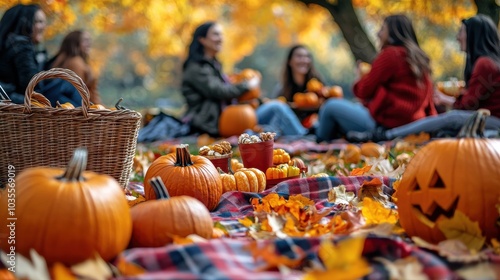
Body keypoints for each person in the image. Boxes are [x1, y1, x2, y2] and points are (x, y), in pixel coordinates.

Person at [347, 14, 500, 142]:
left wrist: (446, 99)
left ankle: (386, 136)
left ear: (474, 35)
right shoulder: (486, 62)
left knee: (452, 118)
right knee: (448, 122)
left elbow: (467, 106)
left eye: (461, 32)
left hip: (492, 122)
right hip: (484, 120)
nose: (457, 37)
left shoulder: (484, 64)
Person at [316, 14, 437, 142]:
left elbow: (363, 91)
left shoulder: (390, 55)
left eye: (382, 29)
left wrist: (359, 77)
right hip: (412, 126)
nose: (378, 34)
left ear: (392, 33)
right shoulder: (420, 59)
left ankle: (318, 142)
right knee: (356, 107)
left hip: (385, 127)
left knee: (330, 106)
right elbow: (429, 102)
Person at [181, 21, 307, 137]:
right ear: (202, 39)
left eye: (221, 35)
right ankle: (303, 137)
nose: (221, 39)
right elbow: (220, 91)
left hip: (229, 118)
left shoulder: (212, 66)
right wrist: (248, 85)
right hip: (213, 122)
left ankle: (300, 135)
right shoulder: (196, 68)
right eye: (215, 35)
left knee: (274, 109)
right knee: (276, 108)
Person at [0, 4, 81, 106]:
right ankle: (89, 115)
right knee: (64, 85)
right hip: (18, 100)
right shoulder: (21, 46)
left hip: (14, 97)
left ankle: (88, 114)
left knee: (63, 98)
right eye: (39, 22)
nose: (44, 27)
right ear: (25, 23)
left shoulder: (10, 43)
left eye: (44, 22)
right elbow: (33, 85)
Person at [47, 30, 101, 104]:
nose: (89, 43)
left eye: (89, 40)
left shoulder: (64, 60)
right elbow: (79, 92)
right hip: (75, 107)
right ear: (75, 43)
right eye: (85, 40)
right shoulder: (76, 63)